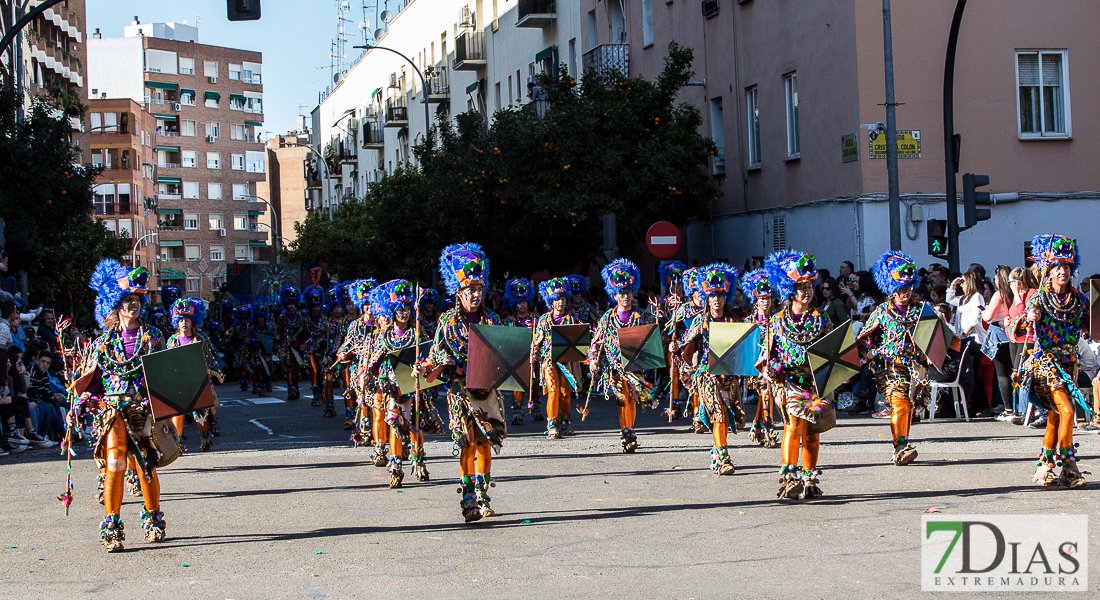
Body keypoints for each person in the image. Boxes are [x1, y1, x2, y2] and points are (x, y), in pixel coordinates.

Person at [77, 260, 168, 552]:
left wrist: (170, 410)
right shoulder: (103, 342)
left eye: (137, 300)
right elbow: (92, 379)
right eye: (127, 301)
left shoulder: (152, 338)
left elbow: (164, 376)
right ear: (115, 306)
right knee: (115, 463)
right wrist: (82, 401)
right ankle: (112, 526)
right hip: (113, 410)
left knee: (145, 466)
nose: (133, 305)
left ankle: (153, 520)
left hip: (143, 408)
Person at [413, 243, 506, 523]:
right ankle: (468, 498)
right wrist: (424, 367)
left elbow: (505, 356)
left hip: (487, 391)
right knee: (466, 442)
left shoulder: (492, 320)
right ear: (459, 292)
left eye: (479, 290)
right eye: (470, 291)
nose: (475, 295)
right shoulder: (447, 322)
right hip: (459, 392)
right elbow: (436, 355)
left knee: (485, 444)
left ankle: (483, 492)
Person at [1015, 235, 1088, 488]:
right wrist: (1028, 318)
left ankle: (1044, 467)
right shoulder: (1040, 299)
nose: (1063, 271)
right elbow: (1017, 331)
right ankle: (1069, 467)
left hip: (1069, 365)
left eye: (1067, 267)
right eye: (1057, 267)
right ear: (1049, 271)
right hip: (1046, 364)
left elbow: (1090, 328)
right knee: (1067, 410)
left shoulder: (1079, 300)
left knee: (1056, 416)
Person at [758, 251, 831, 499]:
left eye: (810, 286)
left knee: (812, 431)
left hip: (815, 382)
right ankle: (790, 478)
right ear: (791, 290)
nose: (808, 291)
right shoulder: (777, 321)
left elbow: (833, 349)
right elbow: (765, 356)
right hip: (789, 382)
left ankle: (809, 477)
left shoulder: (821, 318)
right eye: (802, 287)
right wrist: (770, 368)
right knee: (794, 425)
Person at [365, 279, 444, 487]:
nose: (404, 313)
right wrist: (368, 373)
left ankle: (418, 463)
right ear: (393, 311)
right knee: (395, 427)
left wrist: (424, 366)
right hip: (393, 389)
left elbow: (430, 356)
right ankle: (396, 467)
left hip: (414, 388)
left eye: (407, 308)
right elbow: (375, 363)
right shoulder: (386, 336)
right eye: (400, 308)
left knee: (415, 427)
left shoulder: (418, 333)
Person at [858, 251, 929, 466]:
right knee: (900, 403)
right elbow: (866, 338)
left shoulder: (921, 311)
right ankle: (900, 446)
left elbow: (934, 336)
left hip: (916, 367)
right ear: (891, 288)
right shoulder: (882, 312)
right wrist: (869, 351)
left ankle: (903, 442)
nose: (905, 291)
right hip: (892, 365)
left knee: (910, 404)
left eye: (908, 287)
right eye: (900, 287)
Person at [678, 264, 741, 475]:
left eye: (720, 295)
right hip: (707, 375)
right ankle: (724, 457)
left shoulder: (734, 321)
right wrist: (680, 343)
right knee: (718, 414)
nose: (716, 299)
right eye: (712, 295)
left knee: (727, 414)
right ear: (707, 297)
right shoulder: (700, 320)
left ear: (726, 298)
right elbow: (684, 345)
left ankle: (716, 450)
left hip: (729, 376)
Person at [587, 259, 654, 454]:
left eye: (628, 292)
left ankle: (630, 430)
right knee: (622, 399)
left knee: (632, 398)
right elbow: (596, 341)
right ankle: (626, 432)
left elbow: (653, 337)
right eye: (621, 293)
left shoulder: (641, 317)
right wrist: (593, 359)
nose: (625, 296)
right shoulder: (607, 318)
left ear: (633, 293)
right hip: (614, 366)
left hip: (635, 365)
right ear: (615, 295)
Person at [165, 298, 223, 452]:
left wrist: (212, 374)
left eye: (187, 320)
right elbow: (167, 362)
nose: (184, 323)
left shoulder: (200, 339)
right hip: (179, 382)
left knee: (200, 413)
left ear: (193, 322)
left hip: (197, 381)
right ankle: (176, 444)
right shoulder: (172, 341)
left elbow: (210, 359)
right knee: (178, 412)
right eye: (181, 320)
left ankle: (205, 437)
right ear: (176, 322)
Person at [530, 277, 583, 440]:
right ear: (551, 302)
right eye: (557, 299)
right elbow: (536, 341)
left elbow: (580, 338)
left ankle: (565, 422)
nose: (560, 302)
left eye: (563, 298)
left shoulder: (573, 318)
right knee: (553, 391)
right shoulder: (544, 320)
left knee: (566, 393)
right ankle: (552, 424)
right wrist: (533, 357)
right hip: (549, 361)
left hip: (568, 361)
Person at [741, 269, 779, 448]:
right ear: (756, 301)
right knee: (765, 393)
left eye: (768, 299)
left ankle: (758, 425)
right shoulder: (749, 322)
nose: (766, 302)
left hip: (773, 365)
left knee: (767, 394)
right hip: (756, 366)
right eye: (762, 299)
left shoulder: (778, 320)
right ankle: (768, 429)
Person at [948, 271, 993, 416]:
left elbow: (975, 319)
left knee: (972, 371)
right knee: (969, 372)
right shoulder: (964, 298)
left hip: (974, 339)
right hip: (965, 338)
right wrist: (953, 285)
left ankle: (983, 404)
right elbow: (950, 299)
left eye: (964, 282)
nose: (962, 285)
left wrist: (963, 334)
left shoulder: (976, 297)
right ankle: (975, 404)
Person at [337, 279, 377, 434]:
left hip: (377, 367)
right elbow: (347, 344)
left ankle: (378, 430)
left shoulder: (381, 324)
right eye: (366, 305)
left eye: (371, 304)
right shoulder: (354, 325)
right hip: (359, 367)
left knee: (378, 400)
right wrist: (342, 353)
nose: (369, 308)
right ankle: (365, 428)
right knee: (362, 399)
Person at [502, 278, 537, 426]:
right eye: (519, 303)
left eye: (524, 302)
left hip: (532, 356)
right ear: (514, 305)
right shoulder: (509, 321)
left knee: (534, 383)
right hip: (516, 357)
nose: (522, 305)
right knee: (517, 385)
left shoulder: (536, 320)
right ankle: (517, 412)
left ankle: (535, 408)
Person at [275, 287, 306, 400]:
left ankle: (296, 386)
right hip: (286, 346)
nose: (291, 306)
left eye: (293, 304)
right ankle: (290, 389)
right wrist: (279, 337)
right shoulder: (282, 317)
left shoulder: (300, 317)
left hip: (296, 346)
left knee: (297, 367)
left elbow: (303, 330)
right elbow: (278, 332)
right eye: (289, 304)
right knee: (288, 368)